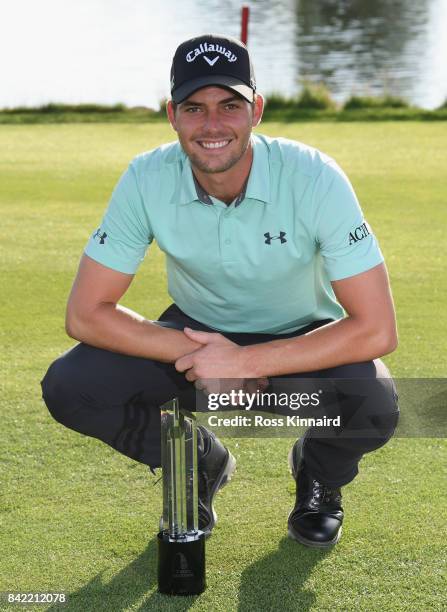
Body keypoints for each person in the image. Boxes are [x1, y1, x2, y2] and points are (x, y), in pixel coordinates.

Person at [41, 34, 400, 548]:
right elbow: (86, 314)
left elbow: (377, 327)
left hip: (299, 342)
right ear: (173, 115)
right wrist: (206, 355)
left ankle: (319, 478)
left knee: (374, 402)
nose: (212, 125)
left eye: (229, 106)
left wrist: (250, 363)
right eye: (195, 108)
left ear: (256, 109)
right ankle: (199, 462)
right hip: (194, 339)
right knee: (71, 384)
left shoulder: (315, 177)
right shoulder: (146, 177)